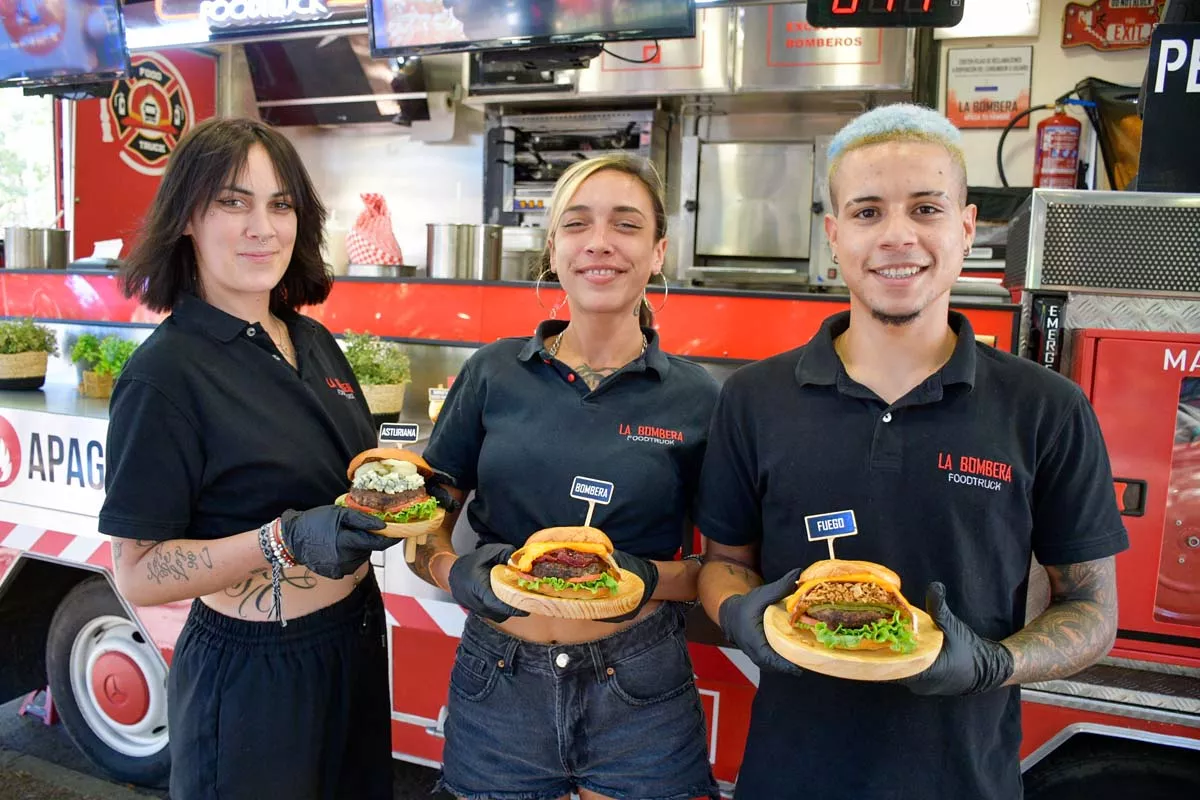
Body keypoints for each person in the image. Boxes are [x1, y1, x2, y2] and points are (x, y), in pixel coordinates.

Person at [695, 103, 1129, 800]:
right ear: (835, 236)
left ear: (965, 226)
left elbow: (1091, 610)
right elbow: (723, 567)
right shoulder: (753, 398)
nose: (898, 235)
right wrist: (739, 613)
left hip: (964, 779)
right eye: (867, 213)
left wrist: (991, 663)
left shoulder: (1047, 408)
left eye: (925, 208)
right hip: (790, 777)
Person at [99, 117, 404, 800]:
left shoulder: (311, 338)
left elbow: (343, 471)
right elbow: (140, 574)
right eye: (232, 202)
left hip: (352, 639)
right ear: (186, 219)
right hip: (255, 672)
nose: (261, 227)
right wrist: (284, 538)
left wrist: (400, 484)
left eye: (280, 204)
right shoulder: (166, 376)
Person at [408, 153, 721, 800]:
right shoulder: (494, 373)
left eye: (626, 225)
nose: (600, 242)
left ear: (659, 251)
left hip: (640, 689)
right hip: (498, 682)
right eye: (578, 224)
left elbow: (720, 571)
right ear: (554, 248)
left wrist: (644, 577)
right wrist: (449, 570)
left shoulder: (698, 398)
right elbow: (422, 520)